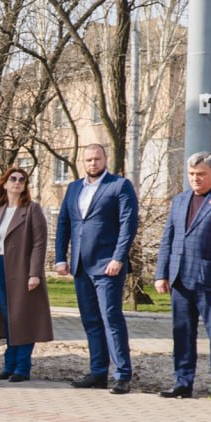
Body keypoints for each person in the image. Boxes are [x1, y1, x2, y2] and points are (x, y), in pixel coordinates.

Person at [153, 152, 211, 403]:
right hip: (180, 279)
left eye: (201, 174)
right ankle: (183, 382)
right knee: (182, 333)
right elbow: (168, 239)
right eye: (192, 174)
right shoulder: (180, 200)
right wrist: (162, 273)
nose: (196, 179)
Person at [54, 144, 139, 393]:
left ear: (105, 159)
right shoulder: (74, 188)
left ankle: (122, 374)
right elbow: (64, 224)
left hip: (108, 266)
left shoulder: (119, 186)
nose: (93, 163)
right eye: (89, 159)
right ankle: (98, 372)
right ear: (83, 161)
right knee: (90, 320)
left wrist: (118, 258)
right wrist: (61, 257)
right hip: (81, 266)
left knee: (111, 318)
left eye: (97, 159)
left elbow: (128, 224)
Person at [0, 165, 53, 380]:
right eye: (13, 179)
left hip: (22, 271)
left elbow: (39, 243)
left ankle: (22, 368)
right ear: (5, 183)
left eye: (22, 179)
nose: (17, 182)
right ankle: (9, 365)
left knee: (22, 318)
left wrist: (35, 273)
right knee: (8, 318)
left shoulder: (32, 209)